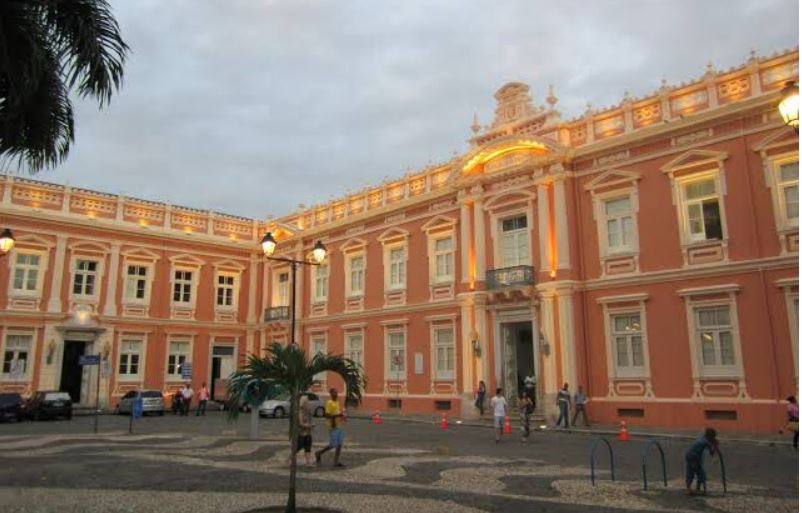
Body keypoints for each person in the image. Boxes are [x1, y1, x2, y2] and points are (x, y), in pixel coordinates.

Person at [314, 388, 346, 468]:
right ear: (331, 394)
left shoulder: (337, 402)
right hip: (333, 425)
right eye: (334, 393)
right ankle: (319, 453)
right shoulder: (329, 403)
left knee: (339, 445)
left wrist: (341, 416)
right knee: (333, 444)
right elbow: (327, 415)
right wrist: (337, 416)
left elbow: (337, 412)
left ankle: (336, 461)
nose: (336, 394)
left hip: (339, 425)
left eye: (337, 393)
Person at [684, 428, 719, 495]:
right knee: (700, 473)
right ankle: (698, 489)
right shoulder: (707, 442)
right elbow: (712, 452)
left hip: (688, 455)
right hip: (694, 457)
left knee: (690, 471)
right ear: (711, 437)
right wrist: (715, 445)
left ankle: (689, 488)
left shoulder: (702, 438)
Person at [296, 395, 314, 465]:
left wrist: (310, 426)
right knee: (298, 447)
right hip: (301, 433)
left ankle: (308, 462)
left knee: (308, 448)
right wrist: (309, 426)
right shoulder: (300, 412)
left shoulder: (308, 412)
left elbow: (309, 420)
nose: (308, 403)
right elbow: (300, 424)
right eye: (307, 402)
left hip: (308, 433)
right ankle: (290, 458)